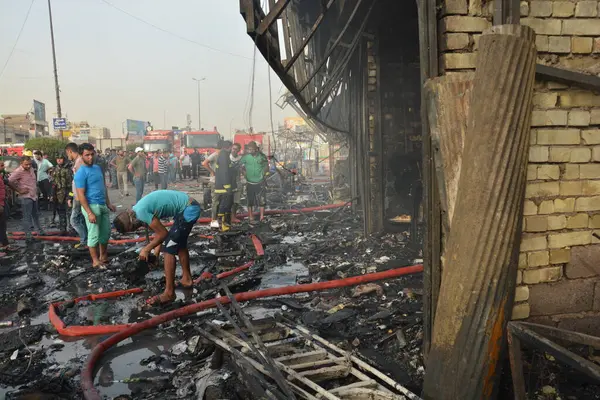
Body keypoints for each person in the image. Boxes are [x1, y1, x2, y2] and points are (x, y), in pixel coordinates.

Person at [113, 190, 201, 306]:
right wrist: (155, 255)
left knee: (169, 249)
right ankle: (187, 279)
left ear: (130, 225)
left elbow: (163, 234)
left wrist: (146, 249)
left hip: (189, 209)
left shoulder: (141, 213)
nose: (135, 230)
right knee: (179, 244)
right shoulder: (136, 212)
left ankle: (169, 293)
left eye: (132, 229)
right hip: (187, 208)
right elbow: (158, 234)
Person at [74, 143, 116, 268]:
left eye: (92, 154)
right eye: (87, 155)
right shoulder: (80, 173)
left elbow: (103, 187)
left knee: (105, 233)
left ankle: (103, 256)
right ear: (81, 156)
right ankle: (95, 260)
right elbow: (80, 195)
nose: (90, 157)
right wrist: (89, 212)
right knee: (93, 235)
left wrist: (108, 203)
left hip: (102, 205)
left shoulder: (97, 168)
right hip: (91, 206)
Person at [203, 141, 242, 228]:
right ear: (228, 147)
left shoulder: (223, 155)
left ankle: (220, 224)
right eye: (232, 148)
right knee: (219, 204)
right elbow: (224, 172)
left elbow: (226, 170)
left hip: (220, 184)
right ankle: (218, 223)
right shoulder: (223, 155)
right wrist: (227, 186)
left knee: (222, 204)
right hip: (220, 185)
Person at [9, 156, 44, 241]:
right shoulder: (18, 171)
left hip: (34, 195)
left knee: (36, 214)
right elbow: (9, 181)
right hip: (26, 197)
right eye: (26, 164)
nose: (28, 166)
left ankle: (39, 231)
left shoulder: (31, 169)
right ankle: (28, 235)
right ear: (21, 163)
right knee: (27, 217)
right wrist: (19, 190)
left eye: (29, 164)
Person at [240, 141, 269, 223]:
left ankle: (262, 217)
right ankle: (250, 216)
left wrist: (264, 174)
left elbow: (267, 166)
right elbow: (239, 165)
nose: (250, 151)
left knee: (262, 201)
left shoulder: (262, 156)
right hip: (250, 183)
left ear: (256, 149)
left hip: (260, 182)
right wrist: (244, 173)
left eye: (252, 149)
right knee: (250, 201)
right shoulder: (246, 157)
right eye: (249, 149)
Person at [65, 142, 88, 248]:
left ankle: (84, 241)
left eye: (67, 154)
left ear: (69, 151)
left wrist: (77, 197)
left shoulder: (79, 162)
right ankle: (86, 240)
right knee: (81, 219)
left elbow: (81, 181)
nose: (67, 156)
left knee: (73, 220)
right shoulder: (77, 162)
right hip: (77, 195)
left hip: (79, 196)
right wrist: (71, 196)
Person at [52, 154, 73, 235]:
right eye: (57, 158)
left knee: (70, 213)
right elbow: (53, 183)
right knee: (61, 213)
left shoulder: (68, 169)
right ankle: (62, 229)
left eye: (61, 158)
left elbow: (72, 185)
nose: (59, 160)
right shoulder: (55, 169)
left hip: (68, 193)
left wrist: (70, 196)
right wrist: (52, 195)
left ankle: (72, 230)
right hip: (58, 195)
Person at [0, 160, 19, 250]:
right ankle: (4, 244)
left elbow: (7, 183)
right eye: (1, 165)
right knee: (2, 224)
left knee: (3, 224)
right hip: (0, 203)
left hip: (3, 202)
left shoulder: (1, 176)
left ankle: (4, 244)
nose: (3, 167)